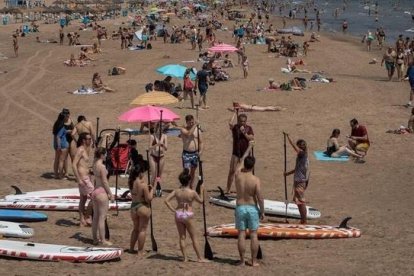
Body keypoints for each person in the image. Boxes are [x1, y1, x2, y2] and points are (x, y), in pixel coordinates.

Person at [164, 169, 208, 263]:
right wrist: (201, 189)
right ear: (189, 181)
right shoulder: (192, 192)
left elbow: (166, 200)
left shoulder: (176, 191)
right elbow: (201, 201)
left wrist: (173, 210)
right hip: (188, 214)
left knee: (182, 237)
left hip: (178, 213)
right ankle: (199, 258)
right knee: (193, 237)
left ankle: (185, 258)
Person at [234, 141, 264, 267]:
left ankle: (242, 261)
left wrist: (248, 148)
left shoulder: (238, 175)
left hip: (240, 207)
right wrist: (262, 211)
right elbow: (260, 197)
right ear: (253, 166)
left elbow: (239, 162)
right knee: (253, 235)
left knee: (241, 234)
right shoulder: (256, 180)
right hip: (252, 207)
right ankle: (253, 261)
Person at [129, 158, 152, 258]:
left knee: (135, 229)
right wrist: (152, 190)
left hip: (133, 206)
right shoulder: (143, 184)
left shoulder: (131, 181)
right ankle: (140, 251)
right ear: (140, 173)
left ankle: (131, 248)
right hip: (142, 206)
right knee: (142, 229)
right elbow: (148, 199)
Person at [226, 112, 254, 194]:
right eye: (241, 121)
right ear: (238, 121)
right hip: (235, 153)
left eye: (244, 121)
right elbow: (230, 123)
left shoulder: (249, 128)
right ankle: (227, 189)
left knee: (245, 172)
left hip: (245, 154)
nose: (243, 123)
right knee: (231, 171)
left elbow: (251, 138)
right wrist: (235, 112)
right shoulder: (235, 127)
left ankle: (245, 190)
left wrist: (244, 132)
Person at [284, 134, 309, 224]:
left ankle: (304, 220)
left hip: (300, 181)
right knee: (298, 201)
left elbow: (294, 147)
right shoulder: (302, 156)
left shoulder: (302, 154)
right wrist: (287, 173)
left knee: (301, 202)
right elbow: (297, 169)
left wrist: (288, 138)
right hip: (299, 180)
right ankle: (303, 220)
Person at [92, 147, 114, 245]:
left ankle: (95, 238)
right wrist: (110, 193)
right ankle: (103, 239)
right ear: (102, 155)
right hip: (101, 192)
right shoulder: (102, 167)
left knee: (95, 217)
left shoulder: (94, 164)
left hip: (95, 190)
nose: (106, 156)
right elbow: (105, 181)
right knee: (102, 217)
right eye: (105, 154)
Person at [72, 132, 94, 226]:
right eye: (88, 139)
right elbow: (74, 164)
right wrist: (78, 179)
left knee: (83, 199)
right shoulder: (80, 150)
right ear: (83, 140)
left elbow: (83, 164)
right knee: (95, 196)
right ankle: (87, 216)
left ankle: (82, 220)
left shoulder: (85, 149)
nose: (90, 140)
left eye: (90, 138)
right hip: (83, 178)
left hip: (86, 176)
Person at [178, 115, 202, 189]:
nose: (191, 124)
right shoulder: (183, 129)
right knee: (186, 171)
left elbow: (201, 142)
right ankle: (185, 185)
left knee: (193, 172)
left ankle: (191, 186)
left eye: (192, 122)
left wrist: (200, 151)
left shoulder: (197, 130)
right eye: (190, 123)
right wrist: (195, 125)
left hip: (195, 153)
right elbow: (188, 134)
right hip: (186, 153)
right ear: (186, 122)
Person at [148, 123, 167, 187]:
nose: (161, 130)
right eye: (160, 128)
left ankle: (158, 188)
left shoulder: (164, 136)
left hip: (161, 156)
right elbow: (149, 148)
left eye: (162, 129)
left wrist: (163, 144)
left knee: (159, 175)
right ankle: (151, 187)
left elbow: (166, 148)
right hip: (153, 156)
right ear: (157, 128)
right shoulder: (152, 136)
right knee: (153, 174)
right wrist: (157, 144)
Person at [52, 111, 69, 179]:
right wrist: (59, 147)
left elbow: (57, 134)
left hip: (56, 145)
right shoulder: (62, 126)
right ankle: (61, 176)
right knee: (61, 160)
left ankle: (56, 174)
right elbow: (59, 136)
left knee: (56, 160)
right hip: (62, 145)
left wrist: (67, 131)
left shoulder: (56, 124)